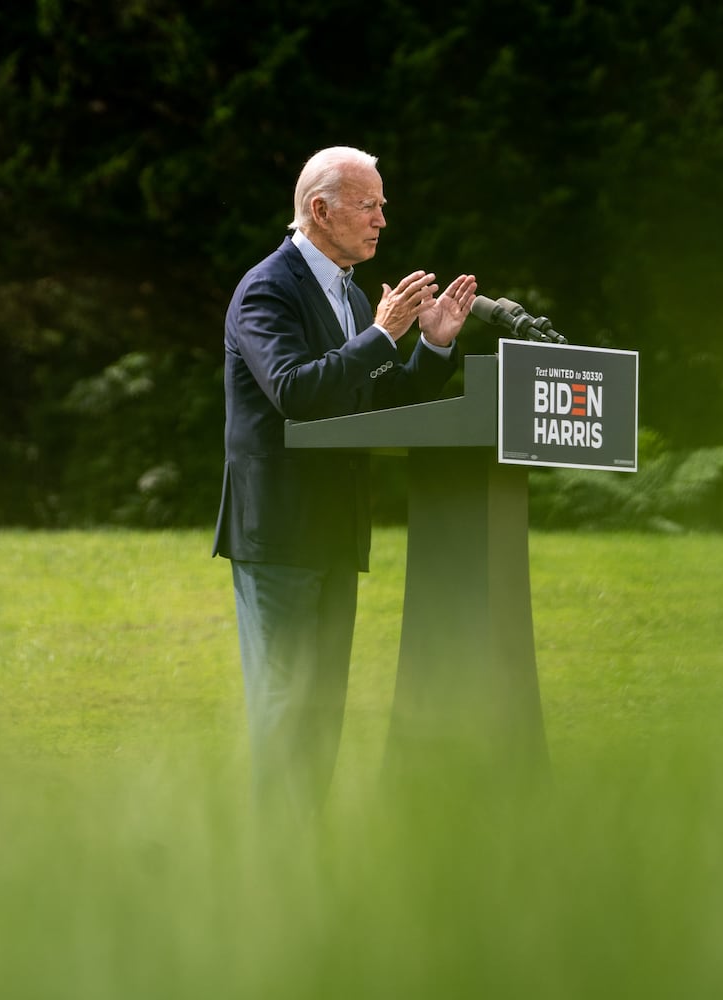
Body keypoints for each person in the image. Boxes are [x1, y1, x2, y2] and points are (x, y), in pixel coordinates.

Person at [212, 145, 477, 822]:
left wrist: (433, 346)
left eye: (382, 205)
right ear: (321, 210)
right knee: (286, 706)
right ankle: (272, 874)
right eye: (370, 204)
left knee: (322, 711)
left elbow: (371, 397)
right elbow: (296, 392)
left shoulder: (352, 294)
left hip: (334, 530)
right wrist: (381, 337)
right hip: (278, 534)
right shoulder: (267, 289)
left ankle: (305, 869)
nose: (383, 219)